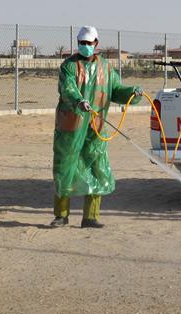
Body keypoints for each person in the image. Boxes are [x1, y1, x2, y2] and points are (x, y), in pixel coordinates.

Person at [51, 26, 142, 228]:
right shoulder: (69, 66)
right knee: (65, 168)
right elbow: (68, 88)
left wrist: (132, 94)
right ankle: (61, 215)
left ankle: (90, 217)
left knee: (97, 167)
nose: (84, 46)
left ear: (96, 44)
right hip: (71, 128)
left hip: (96, 126)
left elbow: (116, 90)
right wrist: (78, 101)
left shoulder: (106, 68)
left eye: (88, 43)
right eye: (81, 43)